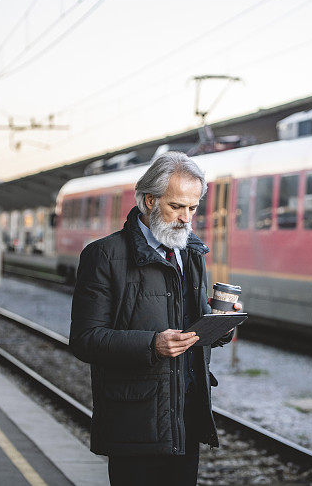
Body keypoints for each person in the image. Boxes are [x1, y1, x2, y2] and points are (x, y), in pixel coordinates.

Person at [70, 152, 241, 486]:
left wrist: (219, 325)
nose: (185, 218)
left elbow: (191, 327)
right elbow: (85, 339)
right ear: (149, 200)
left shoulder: (191, 252)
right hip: (135, 421)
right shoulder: (104, 255)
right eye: (176, 206)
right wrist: (153, 344)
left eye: (193, 208)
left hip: (186, 417)